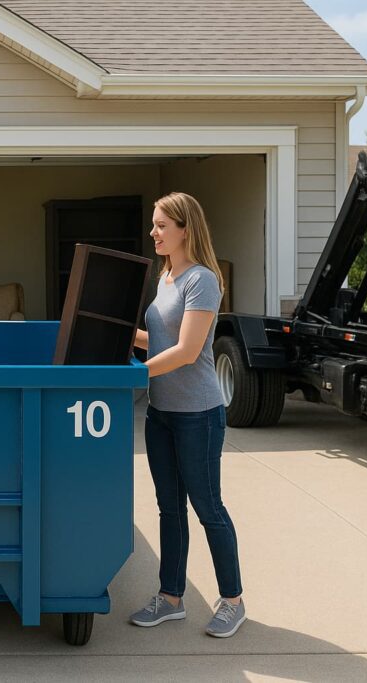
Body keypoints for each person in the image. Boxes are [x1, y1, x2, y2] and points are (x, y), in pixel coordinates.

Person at [129, 192, 245, 638]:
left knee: (207, 507)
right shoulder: (167, 278)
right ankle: (171, 598)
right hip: (162, 413)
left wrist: (134, 377)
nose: (153, 232)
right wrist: (121, 336)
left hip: (198, 413)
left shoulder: (202, 280)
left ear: (184, 228)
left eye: (161, 225)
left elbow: (187, 351)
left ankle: (232, 601)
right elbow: (159, 340)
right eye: (153, 225)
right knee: (168, 508)